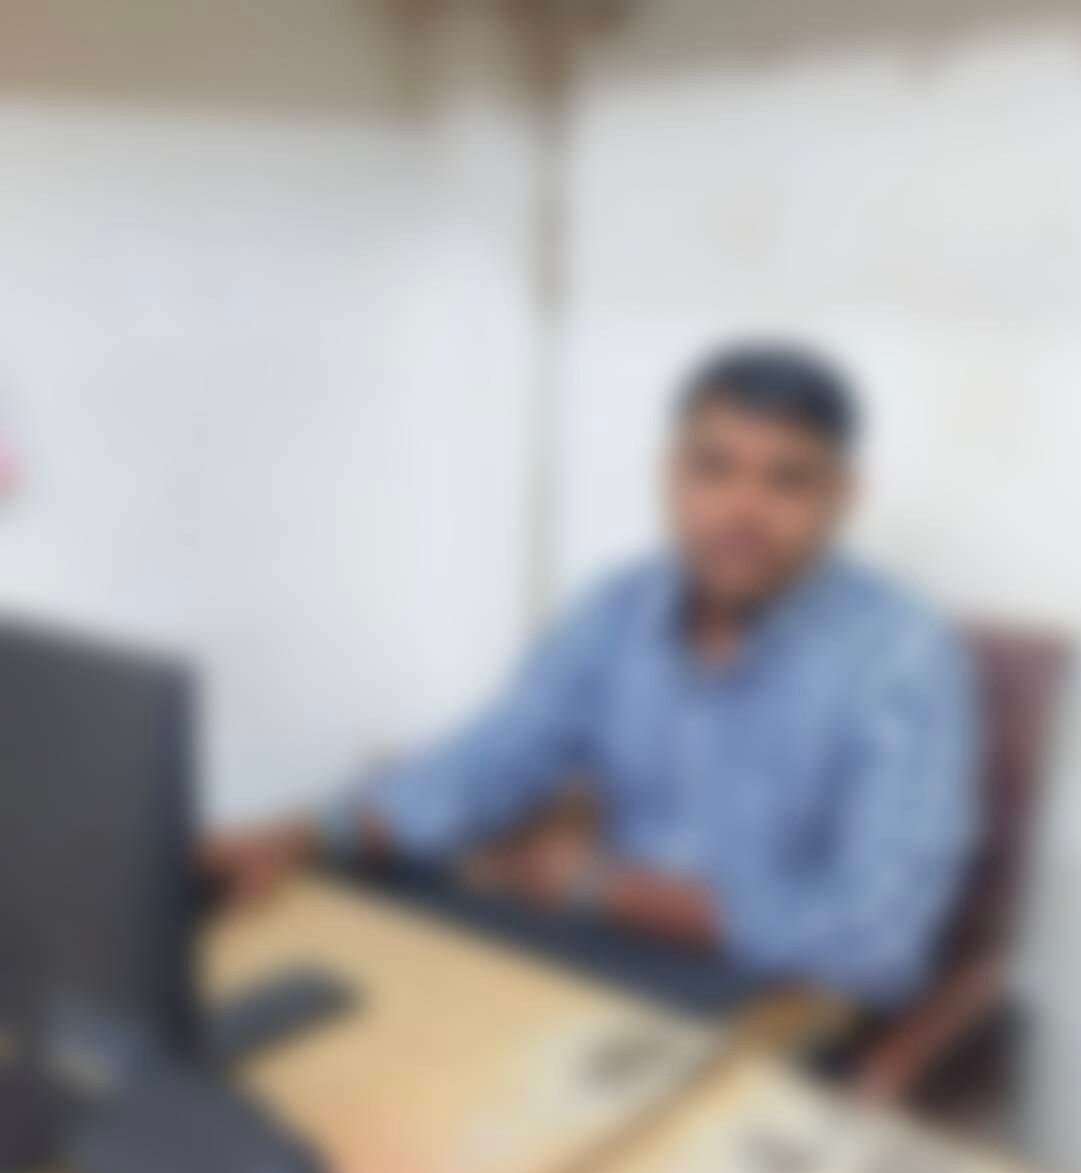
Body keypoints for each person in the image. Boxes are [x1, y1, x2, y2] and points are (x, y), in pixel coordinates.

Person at [205, 343, 980, 1007]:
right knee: (353, 984)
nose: (742, 509)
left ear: (841, 496)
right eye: (713, 469)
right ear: (670, 475)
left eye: (787, 480)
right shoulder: (618, 608)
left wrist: (607, 889)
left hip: (776, 993)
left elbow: (880, 940)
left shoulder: (900, 654)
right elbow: (483, 763)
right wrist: (314, 832)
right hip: (607, 949)